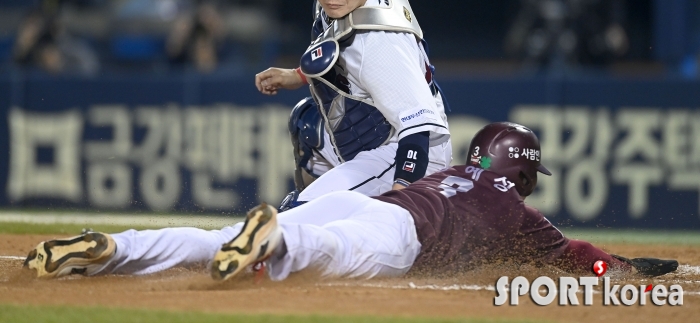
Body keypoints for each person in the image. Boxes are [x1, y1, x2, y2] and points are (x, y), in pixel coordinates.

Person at [23, 122, 677, 281]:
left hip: (375, 202)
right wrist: (625, 266)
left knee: (212, 236)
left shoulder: (455, 172)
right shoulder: (516, 211)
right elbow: (577, 254)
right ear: (523, 172)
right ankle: (275, 238)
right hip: (399, 237)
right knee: (326, 256)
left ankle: (114, 249)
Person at [256, 0, 452, 209]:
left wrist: (401, 200)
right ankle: (336, 213)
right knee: (307, 121)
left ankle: (329, 216)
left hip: (408, 154)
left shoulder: (381, 45)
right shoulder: (344, 2)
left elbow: (418, 129)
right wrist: (296, 75)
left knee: (296, 215)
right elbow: (339, 51)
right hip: (378, 135)